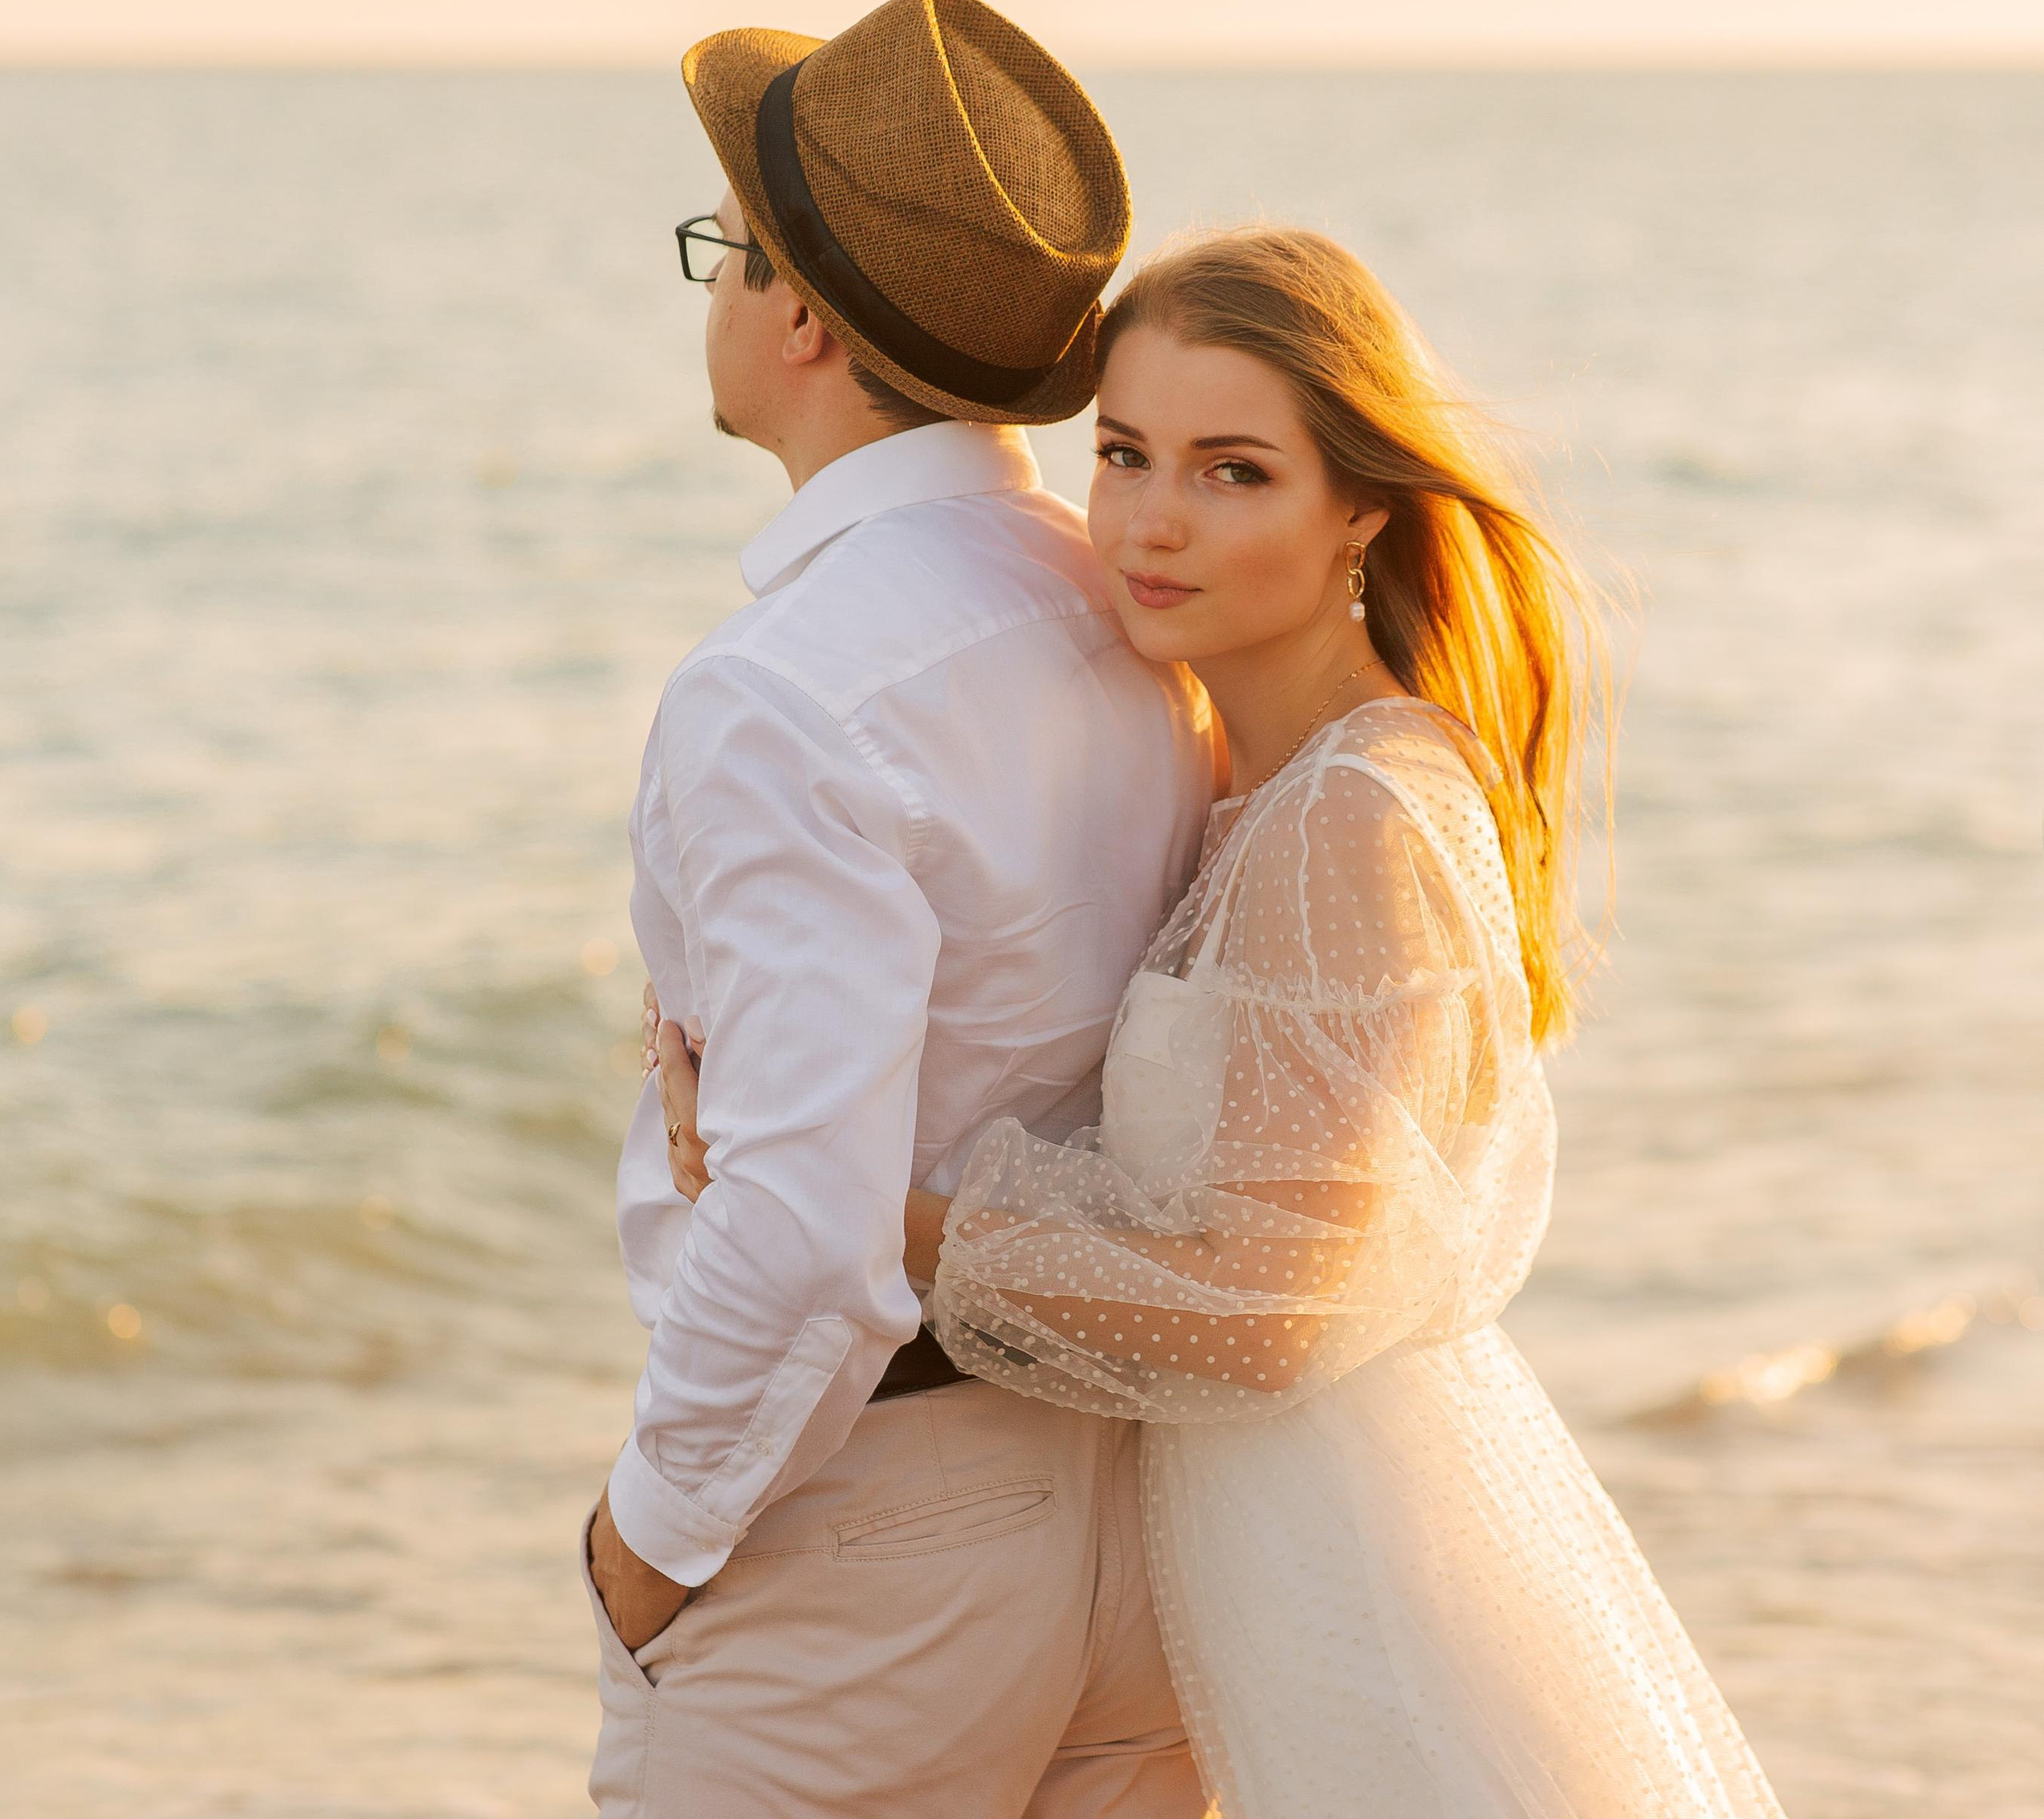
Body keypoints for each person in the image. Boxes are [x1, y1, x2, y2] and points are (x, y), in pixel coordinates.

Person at [656, 228, 1790, 1815]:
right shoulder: (1236, 764)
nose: (1147, 522)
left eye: (1231, 471)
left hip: (1341, 1552)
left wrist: (830, 1200)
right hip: (1214, 1546)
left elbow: (1271, 1302)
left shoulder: (1349, 812)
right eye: (1120, 454)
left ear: (1357, 510)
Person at [585, 0, 1213, 1817]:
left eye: (725, 251)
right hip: (1131, 1504)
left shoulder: (785, 686)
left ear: (794, 310)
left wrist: (649, 1539)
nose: (712, 292)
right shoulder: (1120, 614)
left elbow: (801, 1216)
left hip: (871, 1536)